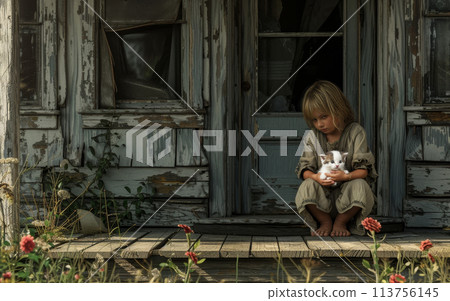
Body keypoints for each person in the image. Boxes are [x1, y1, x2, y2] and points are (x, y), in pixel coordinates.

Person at [295, 80, 378, 236]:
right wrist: (316, 177)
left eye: (323, 117)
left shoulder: (355, 132)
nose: (319, 124)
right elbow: (305, 170)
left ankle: (341, 222)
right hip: (322, 200)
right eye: (314, 120)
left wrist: (346, 176)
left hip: (349, 201)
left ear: (338, 109)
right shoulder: (313, 136)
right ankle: (325, 221)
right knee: (307, 185)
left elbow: (363, 171)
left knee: (361, 185)